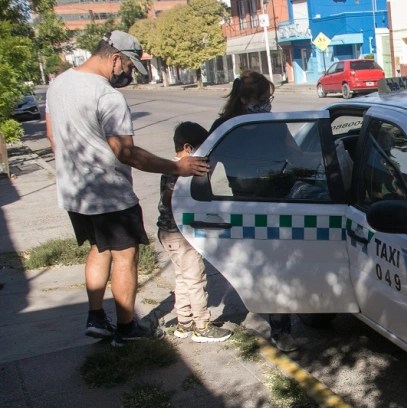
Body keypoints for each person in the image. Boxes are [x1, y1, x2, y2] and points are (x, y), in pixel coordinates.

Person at [44, 30, 210, 347]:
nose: (129, 74)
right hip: (109, 193)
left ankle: (96, 318)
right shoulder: (108, 97)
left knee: (98, 247)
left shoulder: (59, 83)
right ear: (116, 57)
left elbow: (53, 138)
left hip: (74, 191)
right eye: (130, 67)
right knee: (124, 256)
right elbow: (127, 153)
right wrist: (177, 167)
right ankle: (126, 327)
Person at [209, 70, 297, 352]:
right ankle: (278, 326)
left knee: (279, 269)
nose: (267, 104)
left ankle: (280, 325)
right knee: (266, 269)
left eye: (269, 98)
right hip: (247, 208)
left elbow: (295, 155)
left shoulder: (274, 124)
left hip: (280, 203)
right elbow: (203, 167)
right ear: (245, 99)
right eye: (262, 99)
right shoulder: (225, 128)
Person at [158, 122, 232, 343]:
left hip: (169, 233)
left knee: (183, 279)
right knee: (196, 280)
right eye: (202, 148)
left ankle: (185, 322)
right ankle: (202, 325)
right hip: (180, 235)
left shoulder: (175, 167)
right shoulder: (179, 169)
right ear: (189, 148)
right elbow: (168, 198)